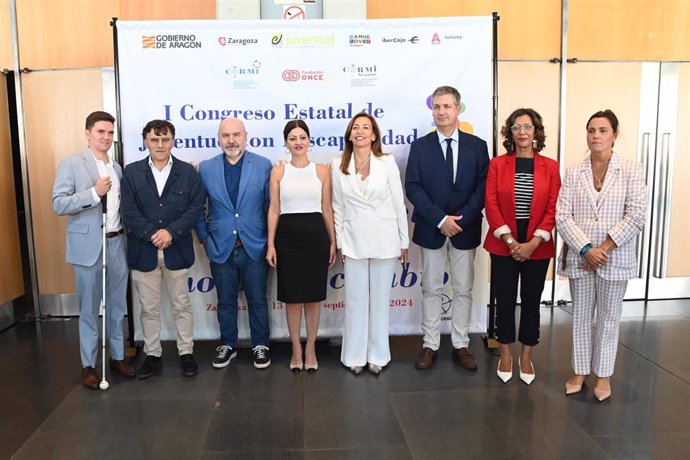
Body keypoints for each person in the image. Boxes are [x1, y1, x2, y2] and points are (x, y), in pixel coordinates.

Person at [556, 109, 646, 402]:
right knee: (581, 316)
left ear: (614, 135)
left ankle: (603, 374)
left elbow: (636, 215)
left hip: (614, 257)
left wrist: (603, 249)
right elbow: (562, 216)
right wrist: (586, 249)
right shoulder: (573, 171)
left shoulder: (631, 169)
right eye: (591, 130)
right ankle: (580, 371)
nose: (596, 135)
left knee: (609, 318)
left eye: (603, 130)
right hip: (581, 257)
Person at [405, 85, 489, 371]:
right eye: (437, 107)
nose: (441, 111)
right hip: (432, 228)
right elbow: (413, 188)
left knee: (463, 289)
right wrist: (441, 220)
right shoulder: (420, 147)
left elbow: (482, 187)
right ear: (433, 111)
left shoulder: (478, 146)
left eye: (447, 106)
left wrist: (460, 219)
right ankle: (429, 344)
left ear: (457, 109)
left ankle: (461, 343)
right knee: (431, 288)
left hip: (465, 229)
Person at [52, 111, 136, 389]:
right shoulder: (72, 164)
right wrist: (93, 193)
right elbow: (59, 203)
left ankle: (117, 357)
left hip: (116, 242)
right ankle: (89, 365)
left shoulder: (117, 168)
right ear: (88, 133)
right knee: (88, 309)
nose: (106, 137)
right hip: (87, 246)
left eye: (110, 133)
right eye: (101, 132)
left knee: (116, 307)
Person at [483, 108, 561, 385]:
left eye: (527, 127)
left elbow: (553, 207)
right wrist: (511, 241)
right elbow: (490, 204)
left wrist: (533, 242)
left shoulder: (550, 167)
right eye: (516, 127)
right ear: (510, 133)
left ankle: (526, 354)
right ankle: (505, 353)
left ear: (536, 132)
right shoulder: (497, 165)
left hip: (537, 247)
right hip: (505, 245)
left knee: (531, 300)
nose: (522, 132)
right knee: (503, 299)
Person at [121, 120, 204, 379]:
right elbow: (128, 210)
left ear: (173, 141)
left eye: (165, 139)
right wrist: (152, 234)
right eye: (154, 139)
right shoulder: (132, 172)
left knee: (182, 305)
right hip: (143, 250)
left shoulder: (188, 173)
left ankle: (186, 352)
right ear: (145, 140)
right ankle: (153, 354)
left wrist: (170, 232)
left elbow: (195, 208)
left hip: (176, 249)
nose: (159, 145)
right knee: (149, 308)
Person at [331, 112, 409, 376]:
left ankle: (377, 355)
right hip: (353, 241)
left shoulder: (387, 162)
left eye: (366, 127)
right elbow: (337, 207)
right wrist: (340, 243)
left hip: (385, 240)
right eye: (356, 127)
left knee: (379, 301)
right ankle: (354, 355)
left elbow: (399, 203)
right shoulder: (337, 164)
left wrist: (403, 241)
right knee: (355, 301)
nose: (360, 131)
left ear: (374, 135)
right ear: (350, 134)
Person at [196, 117, 273, 369]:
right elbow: (197, 209)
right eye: (226, 135)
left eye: (236, 134)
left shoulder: (263, 165)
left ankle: (260, 345)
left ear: (245, 136)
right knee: (226, 301)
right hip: (220, 247)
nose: (231, 140)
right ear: (219, 139)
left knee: (258, 300)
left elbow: (272, 207)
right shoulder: (206, 168)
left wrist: (271, 242)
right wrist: (206, 240)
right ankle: (227, 344)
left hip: (255, 245)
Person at [266, 120, 336, 373]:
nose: (298, 142)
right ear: (286, 143)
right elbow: (274, 209)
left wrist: (333, 241)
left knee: (313, 299)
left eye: (302, 137)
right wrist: (271, 244)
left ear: (309, 141)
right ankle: (296, 347)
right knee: (292, 299)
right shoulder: (278, 172)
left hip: (316, 238)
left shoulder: (321, 172)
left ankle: (311, 348)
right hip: (287, 239)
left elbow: (327, 209)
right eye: (293, 138)